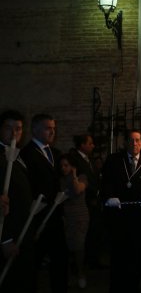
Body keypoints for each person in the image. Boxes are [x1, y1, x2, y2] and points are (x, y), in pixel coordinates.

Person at [101, 129, 141, 293]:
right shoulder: (114, 160)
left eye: (138, 140)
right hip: (120, 216)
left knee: (140, 253)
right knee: (120, 255)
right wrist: (109, 197)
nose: (134, 143)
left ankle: (138, 284)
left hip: (140, 217)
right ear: (125, 143)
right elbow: (106, 181)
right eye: (131, 140)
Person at [19, 113, 68, 293]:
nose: (52, 132)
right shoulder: (26, 154)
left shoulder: (55, 153)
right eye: (48, 128)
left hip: (54, 216)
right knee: (34, 262)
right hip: (37, 216)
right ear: (35, 129)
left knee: (60, 259)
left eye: (54, 128)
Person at [0, 110, 35, 293]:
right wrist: (5, 240)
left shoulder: (18, 154)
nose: (14, 133)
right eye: (9, 128)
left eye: (19, 129)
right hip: (8, 232)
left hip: (22, 228)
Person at [69, 134, 103, 269]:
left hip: (93, 201)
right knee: (83, 233)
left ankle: (92, 259)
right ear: (82, 145)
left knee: (93, 231)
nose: (92, 146)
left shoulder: (88, 159)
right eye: (90, 143)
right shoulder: (76, 160)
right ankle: (80, 263)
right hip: (84, 201)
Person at [59, 154, 89, 289]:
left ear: (72, 166)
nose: (63, 168)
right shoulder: (61, 180)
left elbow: (77, 189)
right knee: (69, 246)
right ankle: (73, 275)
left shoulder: (81, 177)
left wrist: (75, 175)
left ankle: (81, 274)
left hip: (80, 216)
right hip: (67, 216)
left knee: (78, 246)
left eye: (66, 165)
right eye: (62, 166)